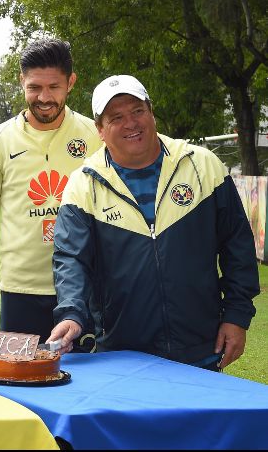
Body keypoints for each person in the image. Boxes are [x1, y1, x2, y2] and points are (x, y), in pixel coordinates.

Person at [49, 74, 259, 370]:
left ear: (151, 112)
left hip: (200, 347)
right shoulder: (82, 185)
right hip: (122, 355)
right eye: (116, 117)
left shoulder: (202, 165)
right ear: (100, 130)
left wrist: (237, 316)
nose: (131, 123)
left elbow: (237, 245)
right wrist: (71, 313)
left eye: (138, 111)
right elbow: (71, 259)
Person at [0, 38, 101, 343]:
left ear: (71, 83)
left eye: (54, 87)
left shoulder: (94, 135)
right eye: (34, 87)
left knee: (82, 384)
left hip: (82, 289)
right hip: (19, 291)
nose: (44, 97)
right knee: (20, 381)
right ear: (21, 82)